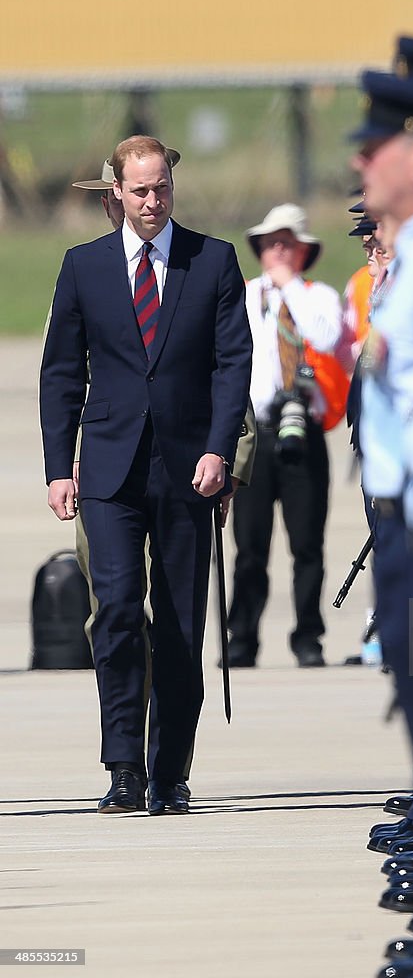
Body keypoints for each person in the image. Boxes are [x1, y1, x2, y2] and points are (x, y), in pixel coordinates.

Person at [40, 135, 252, 816]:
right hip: (108, 468)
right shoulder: (84, 267)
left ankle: (170, 772)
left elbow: (232, 366)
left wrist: (221, 450)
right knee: (119, 614)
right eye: (139, 190)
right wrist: (56, 469)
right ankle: (123, 766)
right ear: (118, 195)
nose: (152, 200)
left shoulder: (212, 261)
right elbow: (61, 374)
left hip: (190, 469)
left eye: (161, 188)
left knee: (182, 626)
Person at [225, 204, 342, 669]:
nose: (277, 250)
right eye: (270, 242)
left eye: (287, 242)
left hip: (303, 431)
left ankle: (308, 637)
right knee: (249, 546)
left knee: (307, 544)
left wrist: (290, 285)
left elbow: (327, 336)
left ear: (301, 250)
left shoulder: (317, 295)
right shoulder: (245, 295)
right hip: (255, 432)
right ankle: (242, 638)